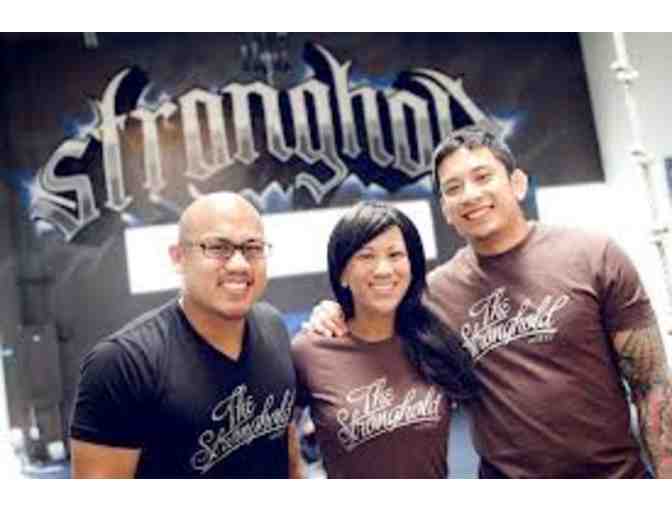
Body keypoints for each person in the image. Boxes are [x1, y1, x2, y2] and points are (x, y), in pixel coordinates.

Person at [306, 124, 672, 478]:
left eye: (482, 177)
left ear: (518, 183)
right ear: (446, 210)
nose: (470, 195)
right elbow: (373, 317)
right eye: (453, 188)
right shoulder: (432, 295)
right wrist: (334, 311)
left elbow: (652, 386)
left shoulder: (594, 256)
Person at [69, 192, 300, 478]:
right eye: (218, 248)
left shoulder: (273, 326)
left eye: (253, 248)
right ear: (178, 258)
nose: (240, 264)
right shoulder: (123, 363)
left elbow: (287, 456)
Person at [292, 201, 479, 478]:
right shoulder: (309, 351)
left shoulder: (434, 338)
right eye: (366, 256)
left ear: (412, 266)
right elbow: (277, 433)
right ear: (342, 273)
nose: (383, 269)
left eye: (395, 254)